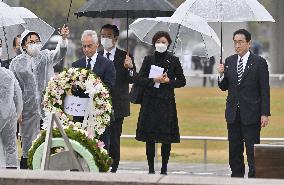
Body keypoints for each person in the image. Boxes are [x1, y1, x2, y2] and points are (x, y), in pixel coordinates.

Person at [9, 25, 69, 169]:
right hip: (27, 110)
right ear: (24, 44)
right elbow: (14, 89)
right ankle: (26, 172)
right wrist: (17, 111)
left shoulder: (45, 56)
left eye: (37, 41)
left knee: (49, 142)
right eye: (31, 41)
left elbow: (59, 53)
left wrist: (63, 39)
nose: (35, 44)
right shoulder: (16, 63)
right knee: (28, 145)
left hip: (46, 107)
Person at [217, 29, 270, 178]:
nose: (237, 45)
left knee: (252, 149)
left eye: (240, 41)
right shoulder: (229, 61)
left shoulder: (259, 62)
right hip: (233, 114)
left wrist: (264, 113)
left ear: (249, 43)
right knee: (234, 149)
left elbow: (264, 89)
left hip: (252, 114)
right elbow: (224, 87)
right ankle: (236, 178)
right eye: (235, 42)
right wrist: (221, 75)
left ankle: (254, 178)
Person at [134, 31, 186, 175]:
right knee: (150, 138)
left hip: (166, 103)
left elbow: (182, 81)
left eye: (163, 42)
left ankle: (164, 168)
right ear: (154, 43)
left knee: (166, 138)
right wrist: (154, 80)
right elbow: (139, 79)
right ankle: (151, 168)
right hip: (149, 103)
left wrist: (169, 81)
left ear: (168, 43)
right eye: (158, 41)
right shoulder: (148, 59)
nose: (160, 44)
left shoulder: (173, 61)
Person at [98, 24, 136, 173]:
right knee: (100, 137)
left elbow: (133, 79)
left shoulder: (125, 56)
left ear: (115, 38)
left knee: (114, 137)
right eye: (103, 35)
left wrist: (131, 68)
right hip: (99, 105)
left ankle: (114, 167)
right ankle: (101, 163)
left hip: (118, 105)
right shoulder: (98, 56)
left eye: (108, 36)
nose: (105, 38)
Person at [72, 30, 116, 151]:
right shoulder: (76, 64)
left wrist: (92, 87)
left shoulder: (108, 64)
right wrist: (75, 87)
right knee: (80, 148)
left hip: (100, 114)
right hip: (81, 114)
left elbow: (109, 87)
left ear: (97, 45)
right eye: (84, 46)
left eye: (89, 46)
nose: (86, 49)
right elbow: (74, 91)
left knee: (100, 150)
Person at [0, 67, 23, 169]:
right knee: (10, 147)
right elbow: (18, 96)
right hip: (9, 115)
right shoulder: (8, 74)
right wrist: (17, 114)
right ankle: (11, 175)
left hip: (9, 115)